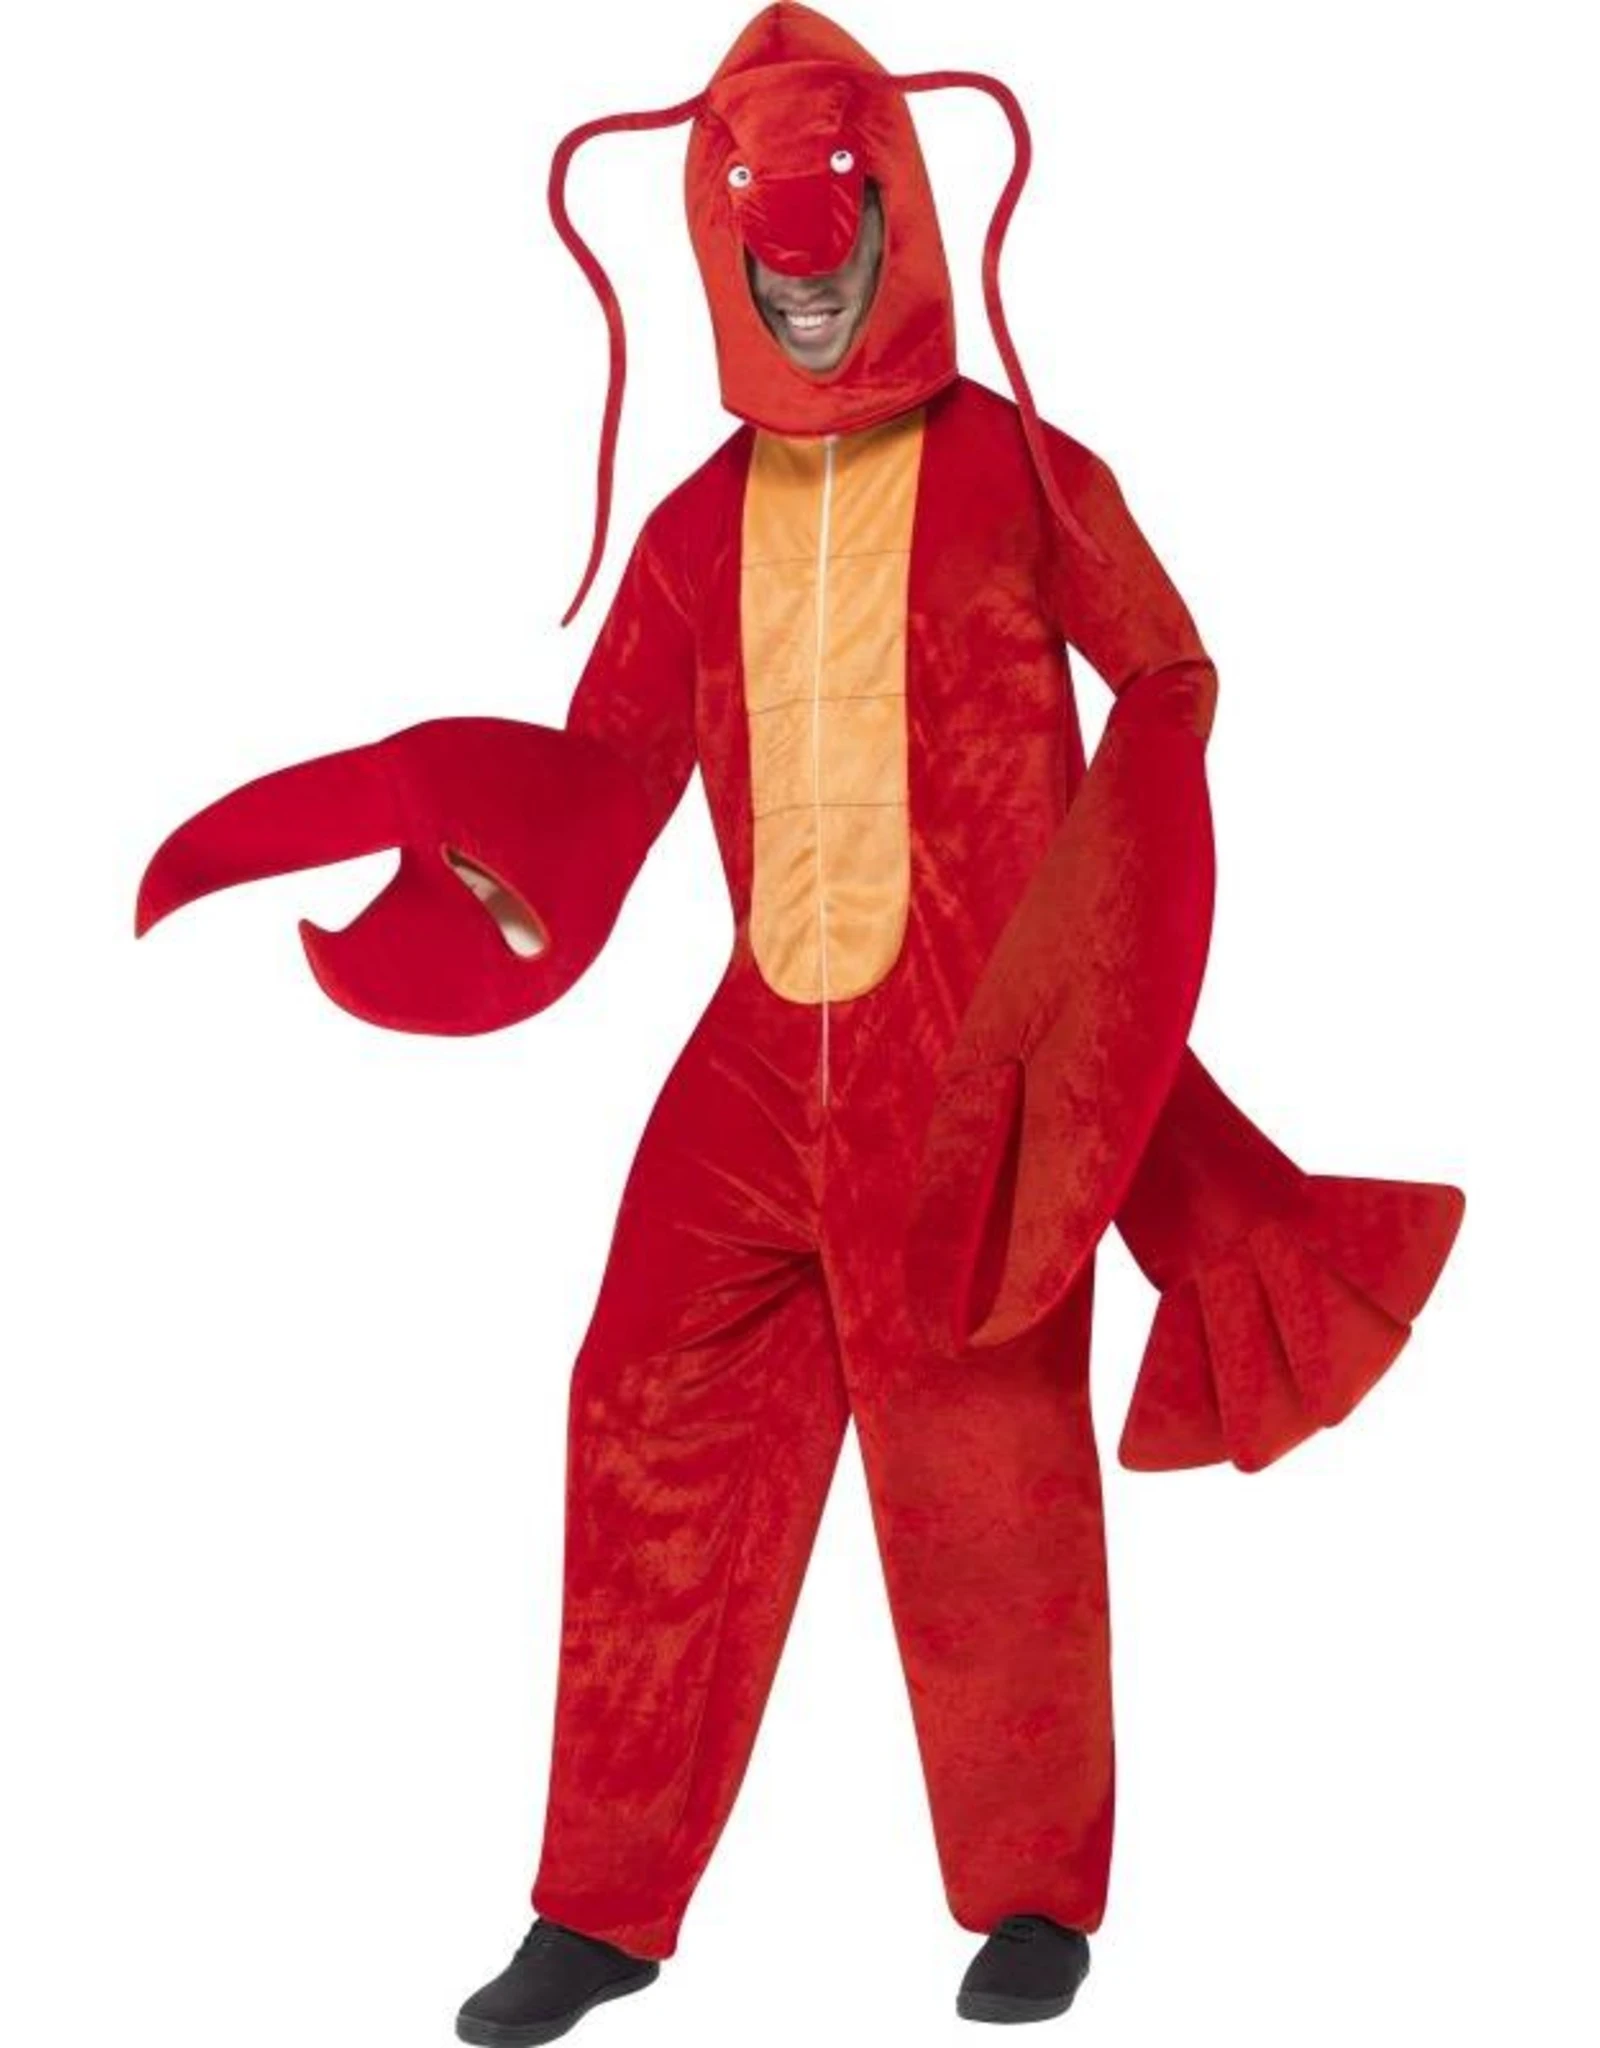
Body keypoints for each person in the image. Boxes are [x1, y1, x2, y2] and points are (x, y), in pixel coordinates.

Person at [135, 6, 1464, 2039]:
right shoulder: (691, 529)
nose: (808, 277)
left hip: (963, 1072)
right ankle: (599, 1913)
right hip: (759, 1059)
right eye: (770, 247)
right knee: (638, 1411)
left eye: (834, 233)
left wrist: (1099, 954)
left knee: (985, 1471)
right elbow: (602, 778)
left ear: (892, 218)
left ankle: (1031, 1901)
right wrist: (433, 827)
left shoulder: (1024, 471)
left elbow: (1170, 675)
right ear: (723, 253)